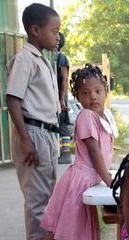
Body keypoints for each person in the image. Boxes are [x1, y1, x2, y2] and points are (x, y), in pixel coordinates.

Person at [24, 64, 117, 240]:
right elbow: (95, 153)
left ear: (106, 91)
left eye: (97, 91)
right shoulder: (86, 116)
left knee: (57, 233)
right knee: (56, 233)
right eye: (85, 93)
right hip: (79, 181)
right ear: (77, 97)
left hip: (87, 180)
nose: (92, 97)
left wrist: (107, 176)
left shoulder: (104, 116)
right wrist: (110, 181)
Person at [5, 3, 68, 240]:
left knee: (46, 193)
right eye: (54, 31)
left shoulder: (43, 58)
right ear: (35, 30)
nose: (58, 37)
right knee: (36, 197)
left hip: (46, 133)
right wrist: (25, 138)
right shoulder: (25, 59)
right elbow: (12, 98)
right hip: (32, 132)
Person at [56, 33, 72, 164]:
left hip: (60, 96)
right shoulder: (50, 57)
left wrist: (61, 99)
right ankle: (60, 151)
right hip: (53, 96)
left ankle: (66, 153)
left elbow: (65, 78)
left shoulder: (61, 57)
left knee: (62, 124)